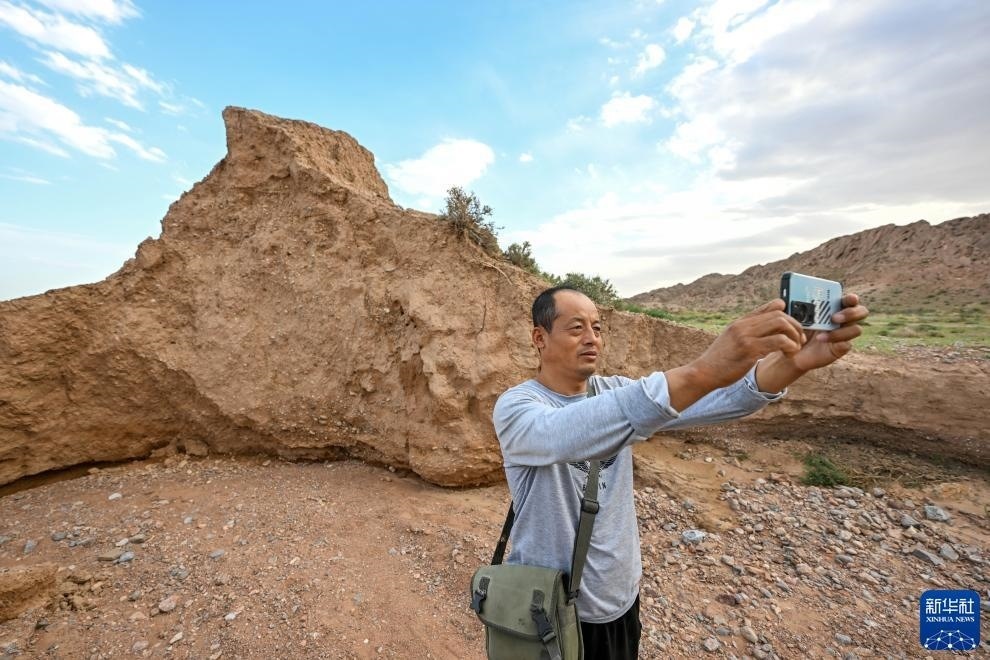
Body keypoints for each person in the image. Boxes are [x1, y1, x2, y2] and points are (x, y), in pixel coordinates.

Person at [492, 285, 869, 659]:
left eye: (598, 327)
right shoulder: (518, 407)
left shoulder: (614, 390)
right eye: (577, 328)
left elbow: (721, 399)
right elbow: (560, 433)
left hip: (619, 599)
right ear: (540, 338)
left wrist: (793, 363)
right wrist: (702, 370)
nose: (592, 338)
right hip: (549, 609)